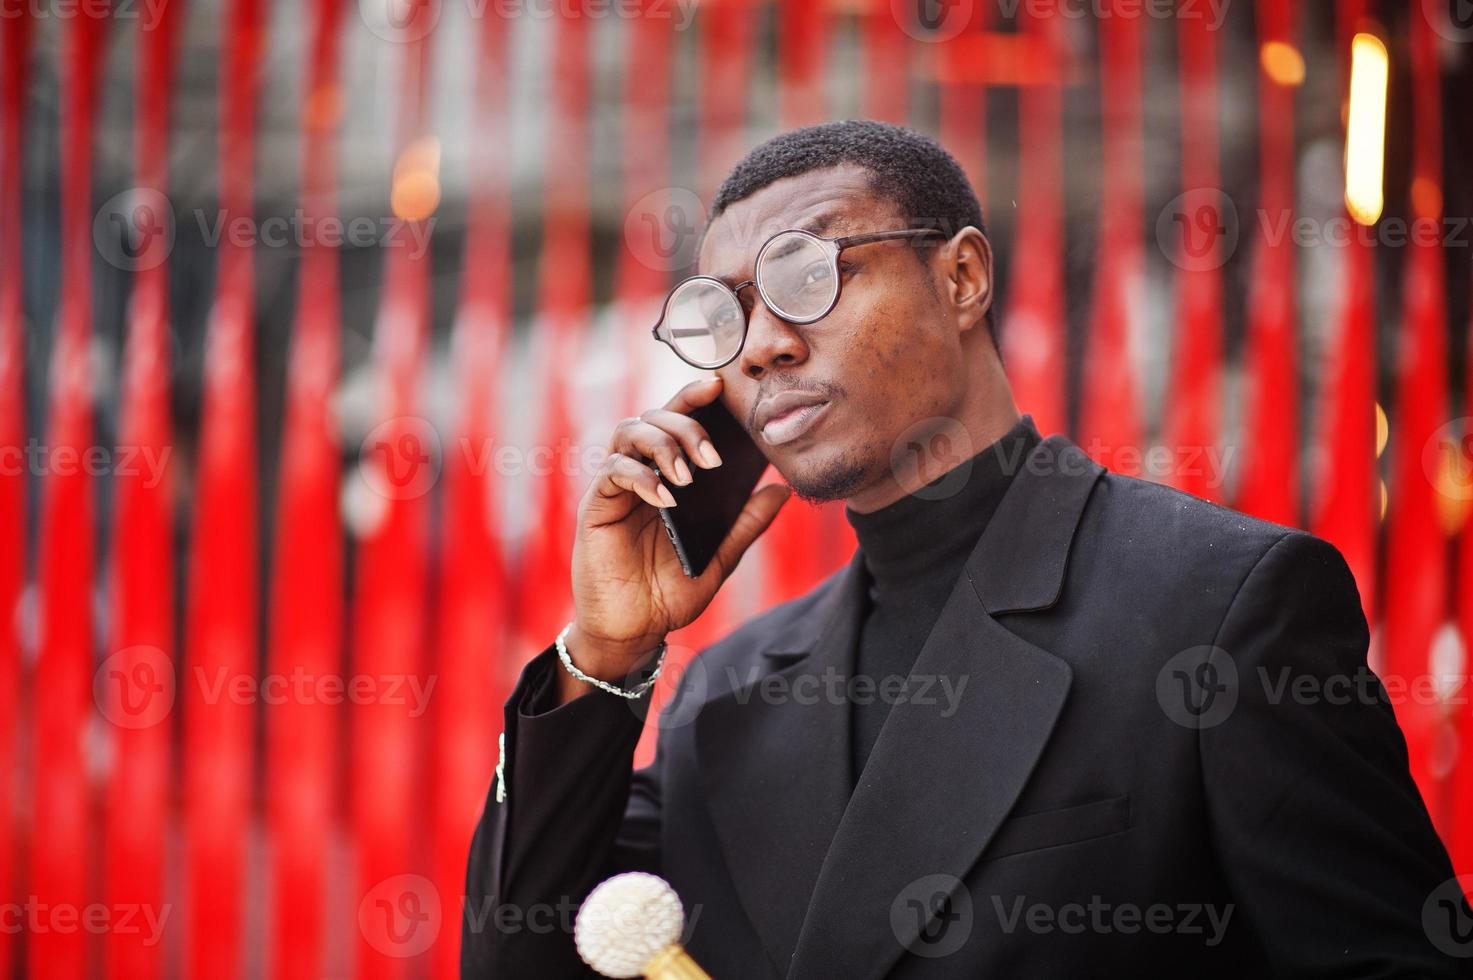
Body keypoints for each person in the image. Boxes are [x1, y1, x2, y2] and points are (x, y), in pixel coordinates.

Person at [461, 120, 1472, 978]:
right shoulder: (731, 694)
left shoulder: (1214, 602)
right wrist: (605, 654)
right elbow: (524, 958)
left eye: (810, 275)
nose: (763, 342)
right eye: (724, 314)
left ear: (962, 276)